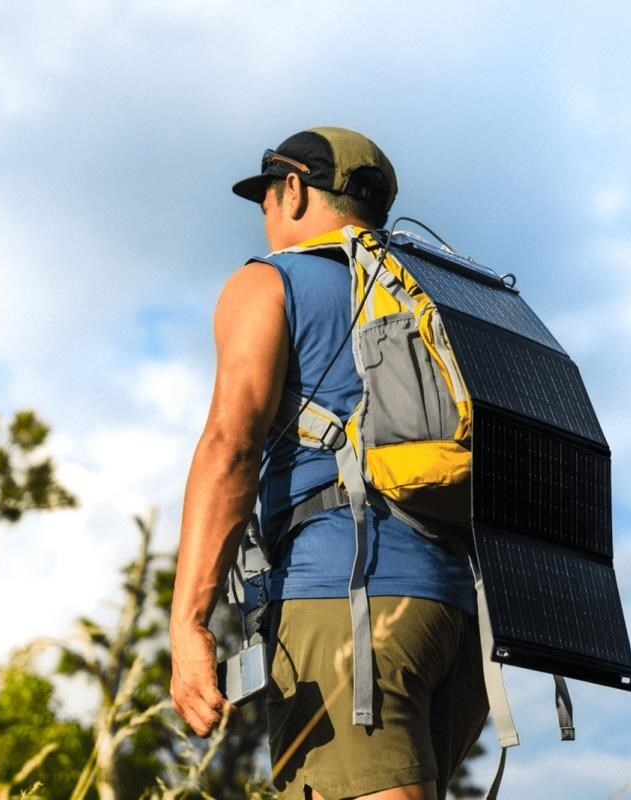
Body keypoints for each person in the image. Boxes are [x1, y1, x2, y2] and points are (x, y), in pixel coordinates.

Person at [169, 127, 488, 800]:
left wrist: (188, 621)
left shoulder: (268, 283)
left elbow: (230, 444)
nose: (264, 215)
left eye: (265, 197)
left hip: (345, 602)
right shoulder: (437, 299)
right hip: (457, 618)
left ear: (293, 190)